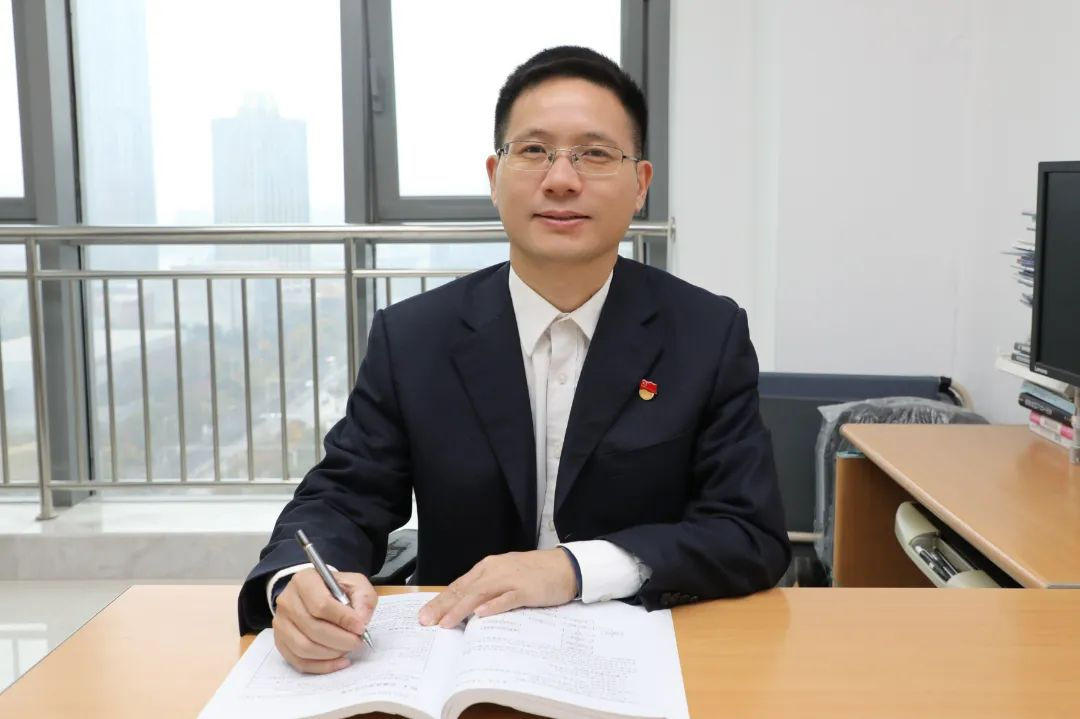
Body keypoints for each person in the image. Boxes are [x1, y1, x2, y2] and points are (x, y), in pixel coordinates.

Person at [237, 45, 790, 674]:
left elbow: (748, 533)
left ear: (640, 185)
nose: (561, 179)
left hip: (644, 661)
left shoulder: (706, 333)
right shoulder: (415, 336)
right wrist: (296, 584)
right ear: (494, 176)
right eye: (534, 151)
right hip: (456, 663)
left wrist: (573, 568)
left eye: (595, 153)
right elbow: (342, 497)